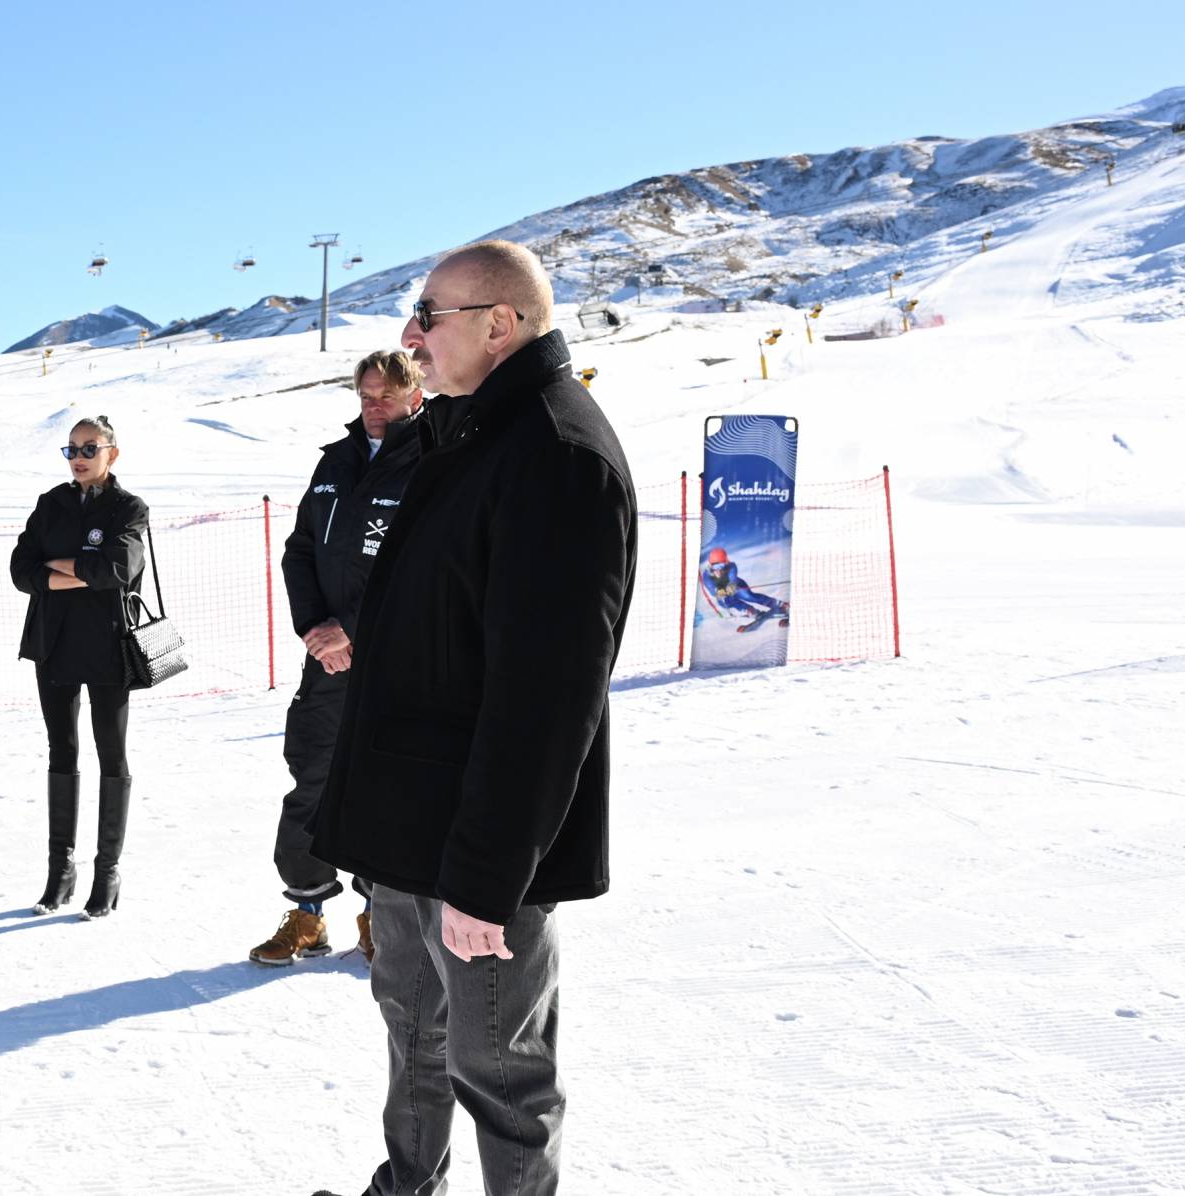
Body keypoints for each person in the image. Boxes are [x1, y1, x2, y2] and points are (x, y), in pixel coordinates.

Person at [312, 240, 637, 1196]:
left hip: (477, 845)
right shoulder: (471, 432)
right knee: (414, 1030)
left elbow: (546, 695)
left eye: (429, 315)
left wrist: (490, 878)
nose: (410, 339)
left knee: (500, 1072)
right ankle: (408, 1186)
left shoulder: (556, 452)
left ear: (501, 324)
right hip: (410, 825)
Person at [252, 351, 426, 967]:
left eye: (386, 395)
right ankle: (306, 915)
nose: (373, 406)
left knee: (384, 787)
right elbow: (299, 551)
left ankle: (381, 917)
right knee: (312, 780)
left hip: (393, 660)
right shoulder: (335, 461)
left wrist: (349, 629)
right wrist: (314, 629)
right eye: (366, 395)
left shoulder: (431, 460)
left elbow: (421, 570)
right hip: (325, 659)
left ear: (415, 393)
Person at [8, 415, 148, 919]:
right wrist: (79, 571)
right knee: (61, 749)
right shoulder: (52, 503)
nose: (79, 457)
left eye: (90, 447)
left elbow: (117, 568)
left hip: (109, 645)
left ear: (113, 452)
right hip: (54, 644)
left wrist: (59, 567)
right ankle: (59, 870)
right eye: (71, 449)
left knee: (111, 752)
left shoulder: (129, 507)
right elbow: (21, 570)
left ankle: (106, 871)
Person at [699, 546, 791, 630]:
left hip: (738, 586)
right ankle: (750, 610)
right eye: (716, 566)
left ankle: (779, 604)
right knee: (726, 603)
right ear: (711, 565)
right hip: (723, 593)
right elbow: (713, 591)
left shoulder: (731, 566)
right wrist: (721, 593)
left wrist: (731, 588)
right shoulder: (706, 576)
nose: (718, 569)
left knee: (747, 596)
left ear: (726, 563)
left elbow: (733, 580)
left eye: (721, 566)